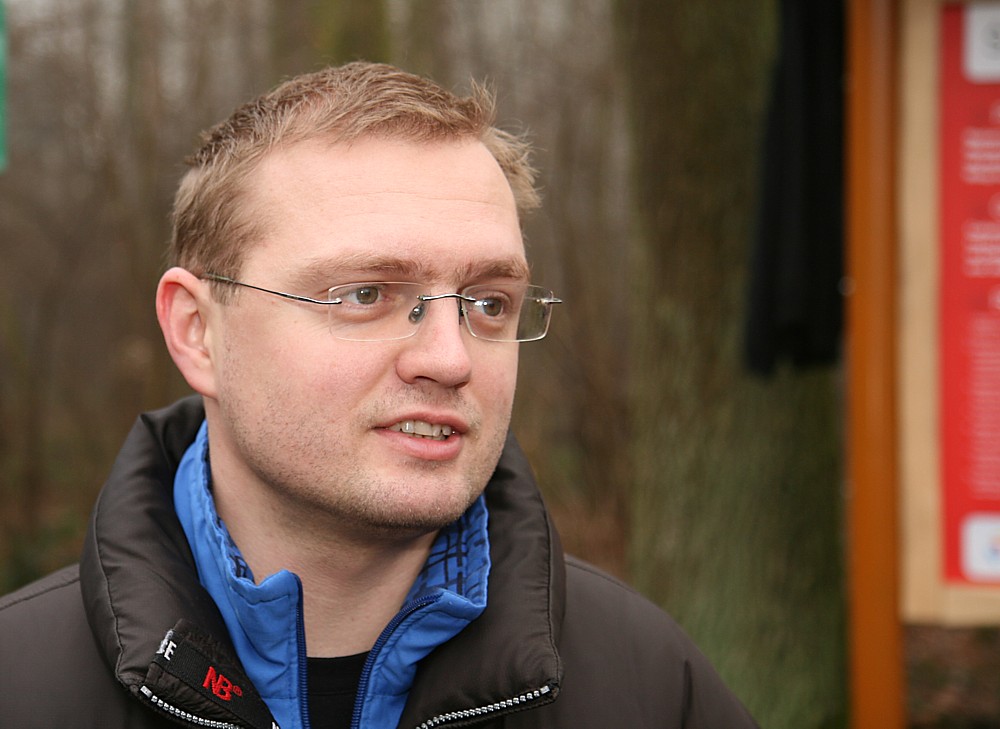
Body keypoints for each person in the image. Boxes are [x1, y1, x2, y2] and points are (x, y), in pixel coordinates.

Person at [0, 62, 758, 729]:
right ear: (198, 332)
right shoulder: (21, 686)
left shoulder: (650, 688)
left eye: (489, 303)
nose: (450, 359)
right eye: (365, 294)